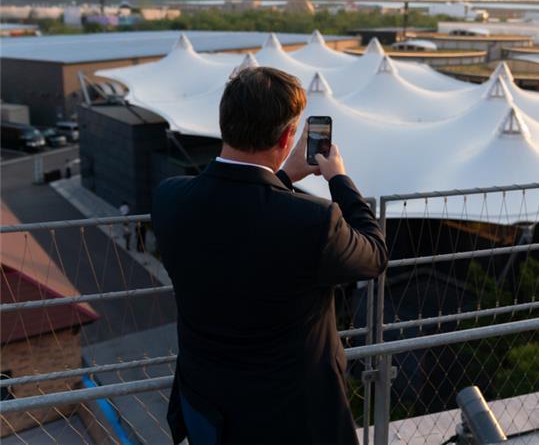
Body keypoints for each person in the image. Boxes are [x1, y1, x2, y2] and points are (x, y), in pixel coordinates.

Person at [152, 67, 388, 445]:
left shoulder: (170, 198)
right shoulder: (313, 222)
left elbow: (239, 217)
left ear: (225, 123)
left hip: (209, 411)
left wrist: (282, 176)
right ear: (287, 136)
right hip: (292, 423)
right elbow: (373, 255)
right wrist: (339, 180)